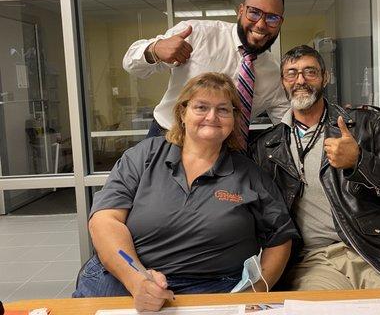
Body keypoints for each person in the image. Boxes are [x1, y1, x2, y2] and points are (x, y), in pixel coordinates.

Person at [73, 73, 298, 312]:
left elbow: (280, 240)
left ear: (234, 119)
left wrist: (252, 294)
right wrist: (137, 279)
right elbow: (104, 221)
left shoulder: (251, 174)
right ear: (182, 113)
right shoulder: (143, 157)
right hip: (124, 279)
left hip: (213, 288)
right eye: (201, 107)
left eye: (223, 109)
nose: (212, 117)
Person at [250, 45, 380, 290]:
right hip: (314, 262)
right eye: (292, 73)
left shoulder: (370, 125)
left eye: (310, 72)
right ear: (283, 82)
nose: (301, 80)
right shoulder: (266, 147)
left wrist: (360, 162)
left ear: (325, 77)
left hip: (377, 254)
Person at [123, 0, 290, 145]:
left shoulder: (273, 72)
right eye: (254, 13)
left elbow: (287, 123)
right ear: (240, 11)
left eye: (272, 18)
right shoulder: (198, 34)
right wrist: (155, 50)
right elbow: (130, 64)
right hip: (167, 138)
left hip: (223, 152)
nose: (261, 24)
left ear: (280, 23)